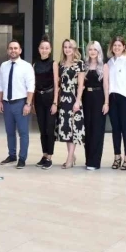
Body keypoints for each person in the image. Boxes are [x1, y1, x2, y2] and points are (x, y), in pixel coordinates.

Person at [0, 40, 35, 169]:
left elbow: (31, 86)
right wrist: (0, 101)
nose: (13, 50)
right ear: (8, 50)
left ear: (20, 50)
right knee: (9, 132)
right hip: (7, 104)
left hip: (21, 103)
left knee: (23, 133)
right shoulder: (3, 66)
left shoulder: (26, 66)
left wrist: (28, 104)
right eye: (11, 48)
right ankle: (12, 155)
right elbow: (0, 84)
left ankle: (22, 158)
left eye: (15, 48)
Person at [52, 38, 85, 170]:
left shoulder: (79, 64)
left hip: (74, 100)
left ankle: (69, 159)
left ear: (74, 49)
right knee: (66, 130)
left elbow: (81, 85)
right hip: (63, 101)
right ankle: (72, 156)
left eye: (70, 47)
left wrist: (77, 101)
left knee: (73, 130)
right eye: (65, 47)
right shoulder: (61, 64)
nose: (67, 49)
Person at [107, 36, 126, 171]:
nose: (117, 47)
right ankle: (117, 157)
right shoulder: (109, 63)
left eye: (119, 45)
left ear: (124, 47)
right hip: (112, 98)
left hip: (125, 98)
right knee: (115, 129)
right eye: (115, 45)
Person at [82, 41, 109, 171]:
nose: (92, 52)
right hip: (86, 98)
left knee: (97, 130)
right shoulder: (84, 65)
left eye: (95, 49)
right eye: (90, 49)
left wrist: (106, 102)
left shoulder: (104, 66)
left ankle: (95, 161)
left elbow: (106, 85)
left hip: (99, 98)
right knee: (87, 129)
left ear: (99, 51)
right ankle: (88, 160)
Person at [33, 38, 58, 167]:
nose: (44, 50)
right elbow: (33, 84)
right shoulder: (35, 64)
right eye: (42, 48)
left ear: (50, 50)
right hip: (38, 98)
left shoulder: (53, 64)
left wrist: (55, 102)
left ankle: (49, 157)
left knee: (49, 128)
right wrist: (32, 102)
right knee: (42, 129)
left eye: (46, 48)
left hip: (50, 97)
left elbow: (56, 84)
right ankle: (44, 155)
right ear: (39, 49)